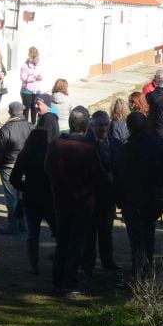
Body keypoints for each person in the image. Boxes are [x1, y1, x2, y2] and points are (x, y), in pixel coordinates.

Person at [45, 107, 109, 297]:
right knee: (75, 244)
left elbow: (47, 169)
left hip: (61, 201)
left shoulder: (55, 145)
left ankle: (58, 281)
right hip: (82, 203)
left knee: (62, 242)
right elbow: (101, 178)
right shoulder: (87, 149)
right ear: (87, 126)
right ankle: (68, 283)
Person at [114, 112, 163, 277]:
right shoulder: (160, 144)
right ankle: (147, 267)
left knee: (136, 238)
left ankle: (140, 271)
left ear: (129, 128)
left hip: (132, 199)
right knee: (149, 233)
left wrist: (120, 200)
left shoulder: (126, 149)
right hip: (152, 197)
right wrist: (158, 187)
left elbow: (119, 177)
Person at [10, 111, 61, 274]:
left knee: (33, 234)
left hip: (31, 198)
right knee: (58, 231)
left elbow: (14, 179)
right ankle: (60, 258)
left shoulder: (25, 155)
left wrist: (26, 187)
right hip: (49, 198)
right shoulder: (51, 153)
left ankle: (34, 266)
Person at [83, 110, 122, 273]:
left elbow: (120, 166)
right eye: (100, 125)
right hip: (90, 196)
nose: (104, 128)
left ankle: (108, 261)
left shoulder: (115, 143)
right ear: (92, 126)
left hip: (108, 197)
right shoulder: (85, 144)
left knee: (106, 232)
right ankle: (88, 264)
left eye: (106, 124)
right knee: (90, 234)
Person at [0, 101, 32, 234]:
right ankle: (22, 223)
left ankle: (13, 224)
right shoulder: (31, 127)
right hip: (26, 166)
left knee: (11, 196)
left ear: (10, 112)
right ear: (23, 111)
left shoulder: (5, 129)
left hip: (9, 166)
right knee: (23, 195)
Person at [19, 46, 43, 124]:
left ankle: (33, 125)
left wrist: (39, 77)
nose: (38, 60)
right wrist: (34, 78)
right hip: (27, 91)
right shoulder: (25, 66)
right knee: (26, 109)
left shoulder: (39, 65)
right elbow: (23, 78)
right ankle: (25, 126)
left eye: (38, 58)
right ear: (32, 58)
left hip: (36, 91)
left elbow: (40, 75)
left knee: (35, 109)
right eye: (36, 58)